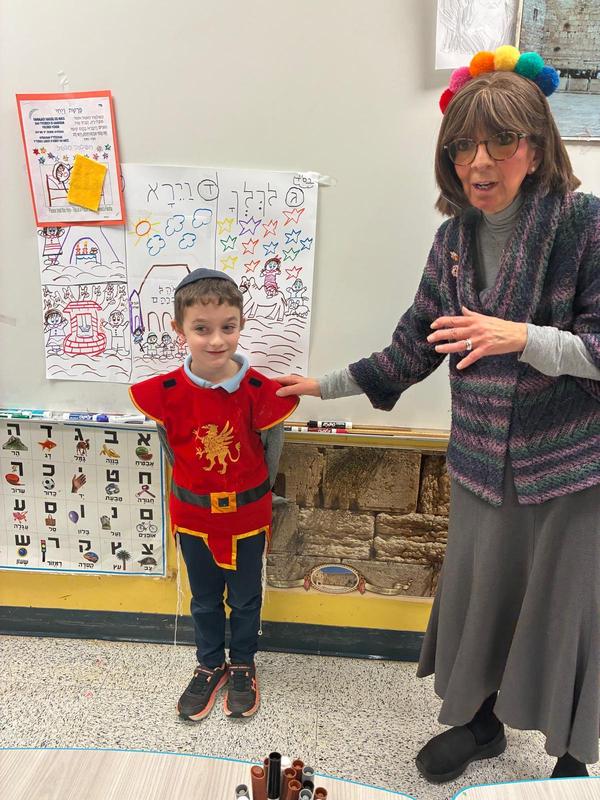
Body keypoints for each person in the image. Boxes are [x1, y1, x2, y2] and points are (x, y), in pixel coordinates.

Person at [276, 45, 600, 783]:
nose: (478, 163)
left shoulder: (585, 227)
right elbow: (411, 348)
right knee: (482, 601)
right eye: (461, 146)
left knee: (566, 612)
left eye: (500, 142)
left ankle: (573, 757)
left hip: (571, 471)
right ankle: (482, 726)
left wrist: (523, 338)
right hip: (483, 467)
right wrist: (320, 385)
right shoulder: (453, 242)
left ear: (537, 145)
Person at [129, 268, 297, 721]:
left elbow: (269, 458)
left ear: (241, 324)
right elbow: (173, 452)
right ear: (179, 329)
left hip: (245, 517)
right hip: (193, 517)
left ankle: (243, 662)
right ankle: (209, 664)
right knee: (203, 597)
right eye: (201, 329)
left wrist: (246, 498)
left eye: (228, 327)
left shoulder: (263, 394)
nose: (216, 340)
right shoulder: (163, 394)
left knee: (245, 597)